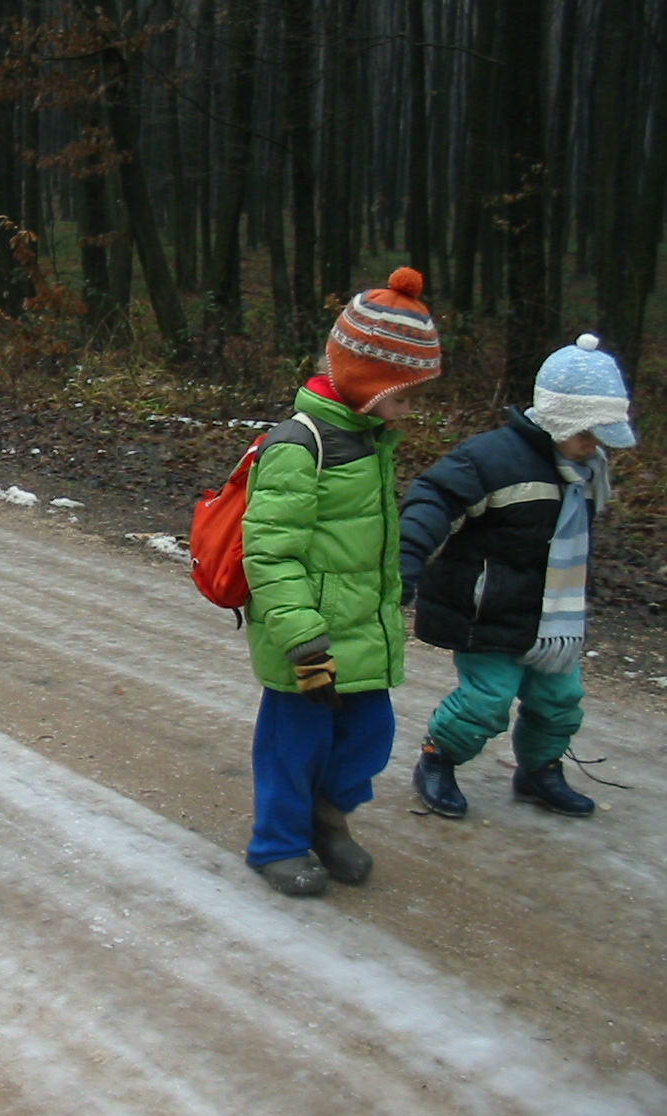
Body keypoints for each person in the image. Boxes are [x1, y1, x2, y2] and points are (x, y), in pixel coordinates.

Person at [241, 267, 442, 897]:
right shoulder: (300, 446)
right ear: (364, 382)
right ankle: (277, 843)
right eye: (403, 395)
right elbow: (269, 553)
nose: (409, 411)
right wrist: (301, 635)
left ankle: (328, 820)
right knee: (293, 745)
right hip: (309, 636)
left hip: (363, 630)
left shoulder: (368, 437)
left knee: (369, 738)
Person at [400, 334, 635, 820]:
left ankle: (539, 769)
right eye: (587, 433)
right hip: (485, 611)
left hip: (551, 617)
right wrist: (406, 559)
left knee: (561, 698)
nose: (594, 446)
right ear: (556, 419)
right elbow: (433, 498)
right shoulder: (492, 458)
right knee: (487, 700)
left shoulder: (587, 471)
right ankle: (438, 758)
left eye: (600, 436)